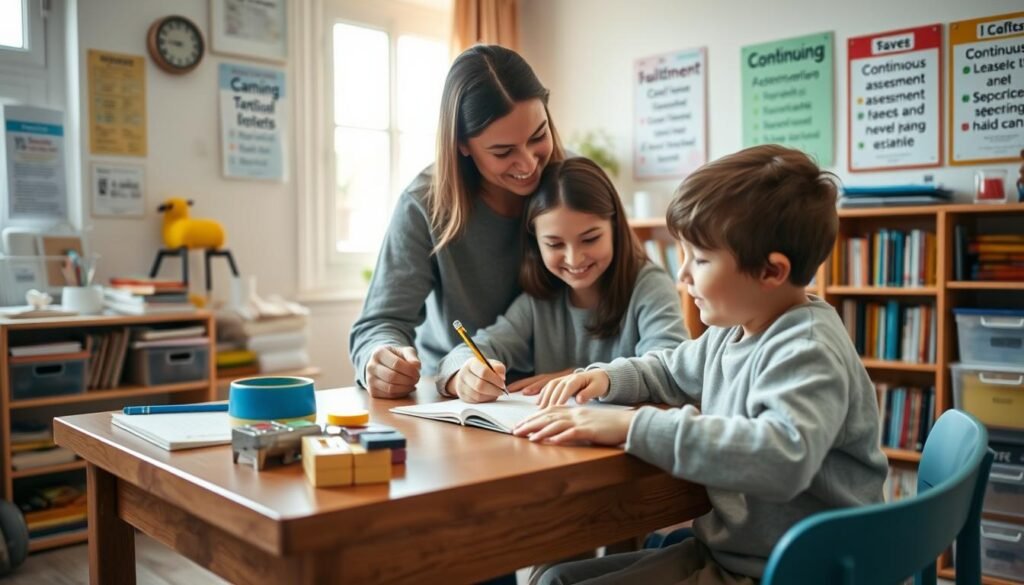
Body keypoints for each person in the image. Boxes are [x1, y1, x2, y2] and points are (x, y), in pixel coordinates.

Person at [515, 144, 889, 585]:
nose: (683, 276)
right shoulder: (735, 330)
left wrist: (631, 428)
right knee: (551, 579)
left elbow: (780, 457)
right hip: (736, 553)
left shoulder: (806, 348)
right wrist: (603, 378)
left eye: (702, 259)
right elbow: (669, 370)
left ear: (771, 271)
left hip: (791, 571)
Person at [349, 45, 567, 399]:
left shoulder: (575, 185)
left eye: (538, 136)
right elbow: (381, 323)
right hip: (456, 396)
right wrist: (382, 359)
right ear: (462, 144)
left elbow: (629, 292)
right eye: (503, 151)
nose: (528, 164)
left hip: (565, 394)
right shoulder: (423, 205)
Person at [436, 157, 686, 401]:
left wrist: (584, 377)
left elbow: (673, 369)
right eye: (554, 244)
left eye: (590, 239)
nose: (574, 259)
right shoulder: (539, 301)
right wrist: (464, 375)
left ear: (615, 228)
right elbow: (472, 350)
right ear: (536, 244)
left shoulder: (649, 285)